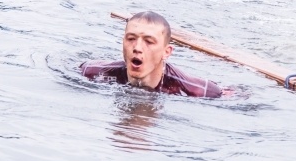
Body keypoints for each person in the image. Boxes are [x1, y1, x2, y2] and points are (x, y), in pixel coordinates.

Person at [80, 11, 223, 98]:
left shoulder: (197, 91)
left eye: (148, 41)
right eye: (131, 39)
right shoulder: (92, 72)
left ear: (166, 52)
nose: (137, 48)